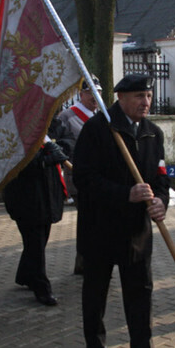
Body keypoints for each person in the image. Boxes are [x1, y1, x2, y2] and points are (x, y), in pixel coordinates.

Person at [73, 73, 172, 348]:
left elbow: (162, 177)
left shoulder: (154, 133)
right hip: (100, 227)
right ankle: (95, 343)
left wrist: (161, 201)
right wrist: (124, 193)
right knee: (96, 290)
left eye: (149, 96)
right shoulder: (98, 129)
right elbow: (84, 179)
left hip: (137, 231)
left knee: (140, 291)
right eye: (139, 96)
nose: (146, 102)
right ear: (120, 97)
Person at [4, 135, 68, 306]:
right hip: (26, 201)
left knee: (37, 242)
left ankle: (25, 275)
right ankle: (42, 288)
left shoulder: (44, 130)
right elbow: (18, 166)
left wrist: (60, 147)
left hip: (43, 199)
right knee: (36, 245)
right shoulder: (15, 133)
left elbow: (64, 139)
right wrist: (45, 159)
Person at [55, 75, 100, 275]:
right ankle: (84, 262)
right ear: (81, 94)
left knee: (97, 222)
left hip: (101, 180)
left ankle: (92, 259)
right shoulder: (66, 116)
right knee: (87, 223)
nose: (94, 96)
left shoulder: (101, 116)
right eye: (90, 92)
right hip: (79, 180)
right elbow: (62, 148)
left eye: (97, 92)